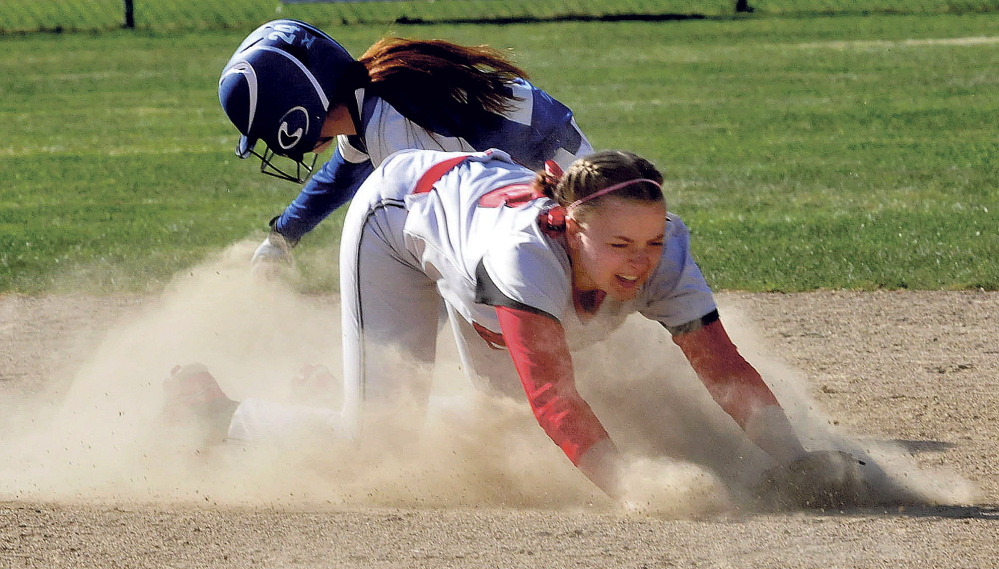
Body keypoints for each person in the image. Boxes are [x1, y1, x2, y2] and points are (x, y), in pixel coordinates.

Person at [167, 148, 866, 504]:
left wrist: (795, 457)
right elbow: (553, 397)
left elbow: (721, 366)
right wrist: (631, 488)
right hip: (395, 219)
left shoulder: (664, 253)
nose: (640, 262)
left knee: (490, 414)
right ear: (571, 229)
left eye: (651, 242)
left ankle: (338, 388)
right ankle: (219, 413)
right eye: (619, 246)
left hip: (464, 217)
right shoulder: (522, 260)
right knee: (377, 439)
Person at [217, 19, 593, 269]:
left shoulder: (398, 122)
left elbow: (492, 186)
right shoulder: (374, 102)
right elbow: (338, 179)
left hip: (568, 196)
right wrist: (283, 235)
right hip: (555, 183)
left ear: (296, 113)